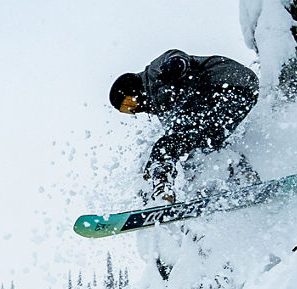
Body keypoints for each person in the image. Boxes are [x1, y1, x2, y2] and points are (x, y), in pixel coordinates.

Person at [109, 49, 259, 203]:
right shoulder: (163, 109)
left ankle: (162, 191)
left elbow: (178, 57)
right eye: (128, 111)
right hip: (243, 94)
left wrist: (175, 66)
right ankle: (244, 176)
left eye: (129, 104)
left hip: (222, 84)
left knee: (166, 145)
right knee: (206, 145)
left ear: (132, 89)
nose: (134, 110)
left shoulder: (153, 73)